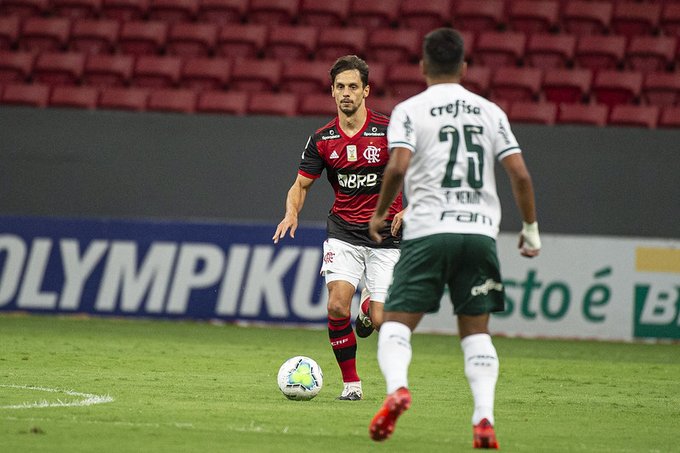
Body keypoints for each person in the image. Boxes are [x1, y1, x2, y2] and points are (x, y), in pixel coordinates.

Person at [367, 28, 541, 449]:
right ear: (464, 67)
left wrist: (379, 212)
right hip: (479, 234)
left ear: (423, 66)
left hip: (428, 232)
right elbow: (518, 173)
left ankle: (398, 390)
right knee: (476, 333)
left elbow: (397, 168)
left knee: (395, 325)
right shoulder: (490, 111)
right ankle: (483, 419)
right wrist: (530, 229)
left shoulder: (410, 110)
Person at [272, 55, 404, 401]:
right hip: (343, 231)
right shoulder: (322, 139)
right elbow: (300, 186)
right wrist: (291, 213)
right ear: (332, 92)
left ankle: (368, 311)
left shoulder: (388, 132)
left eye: (353, 87)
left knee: (380, 320)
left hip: (385, 236)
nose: (347, 93)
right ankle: (352, 385)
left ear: (366, 91)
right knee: (335, 305)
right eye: (341, 87)